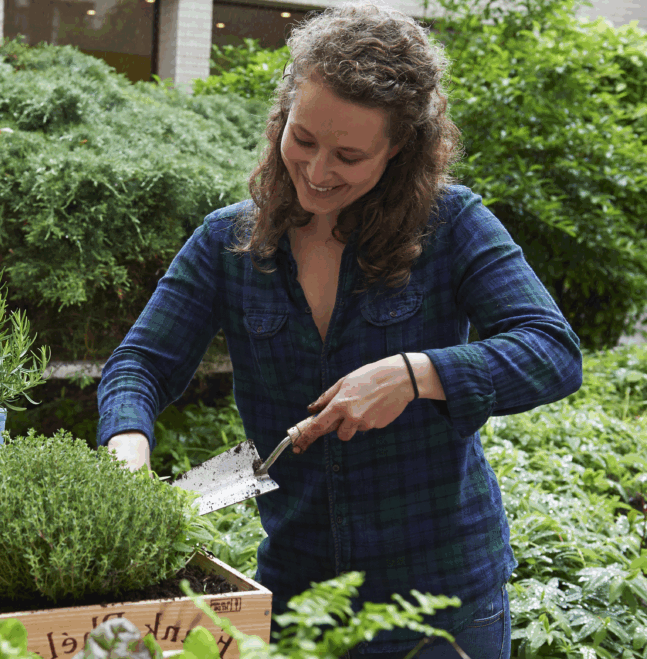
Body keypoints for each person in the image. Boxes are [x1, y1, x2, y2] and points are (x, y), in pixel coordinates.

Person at [96, 3, 583, 658]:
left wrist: (418, 374)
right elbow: (139, 365)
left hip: (444, 601)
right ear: (283, 117)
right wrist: (127, 455)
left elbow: (553, 351)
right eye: (303, 139)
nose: (318, 171)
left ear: (400, 151)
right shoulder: (228, 241)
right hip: (298, 593)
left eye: (349, 154)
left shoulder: (453, 226)